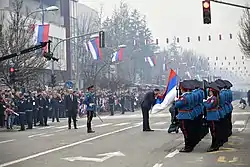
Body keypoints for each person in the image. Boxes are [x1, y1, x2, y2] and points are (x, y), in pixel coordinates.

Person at [175, 81, 195, 152]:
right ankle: (189, 145)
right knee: (189, 131)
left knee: (186, 132)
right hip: (188, 114)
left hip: (184, 115)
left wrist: (176, 101)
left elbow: (177, 105)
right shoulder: (190, 95)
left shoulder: (184, 97)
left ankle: (188, 147)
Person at [203, 82, 221, 152]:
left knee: (213, 131)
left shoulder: (213, 98)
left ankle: (215, 145)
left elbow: (209, 106)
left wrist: (204, 102)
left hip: (213, 116)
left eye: (210, 91)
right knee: (213, 131)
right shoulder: (212, 98)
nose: (209, 92)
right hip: (211, 116)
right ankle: (214, 144)